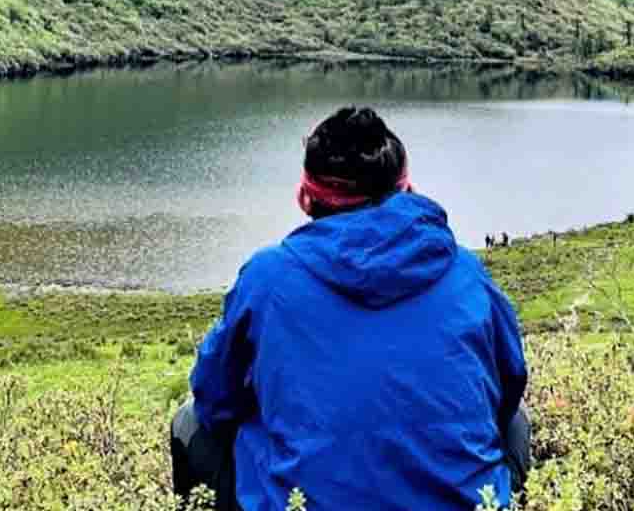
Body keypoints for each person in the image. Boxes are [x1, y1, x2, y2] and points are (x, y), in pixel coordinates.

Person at [172, 106, 529, 511]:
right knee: (516, 425)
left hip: (300, 502)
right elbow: (509, 387)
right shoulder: (466, 272)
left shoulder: (267, 279)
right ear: (407, 187)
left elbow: (214, 399)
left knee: (189, 422)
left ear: (305, 197)